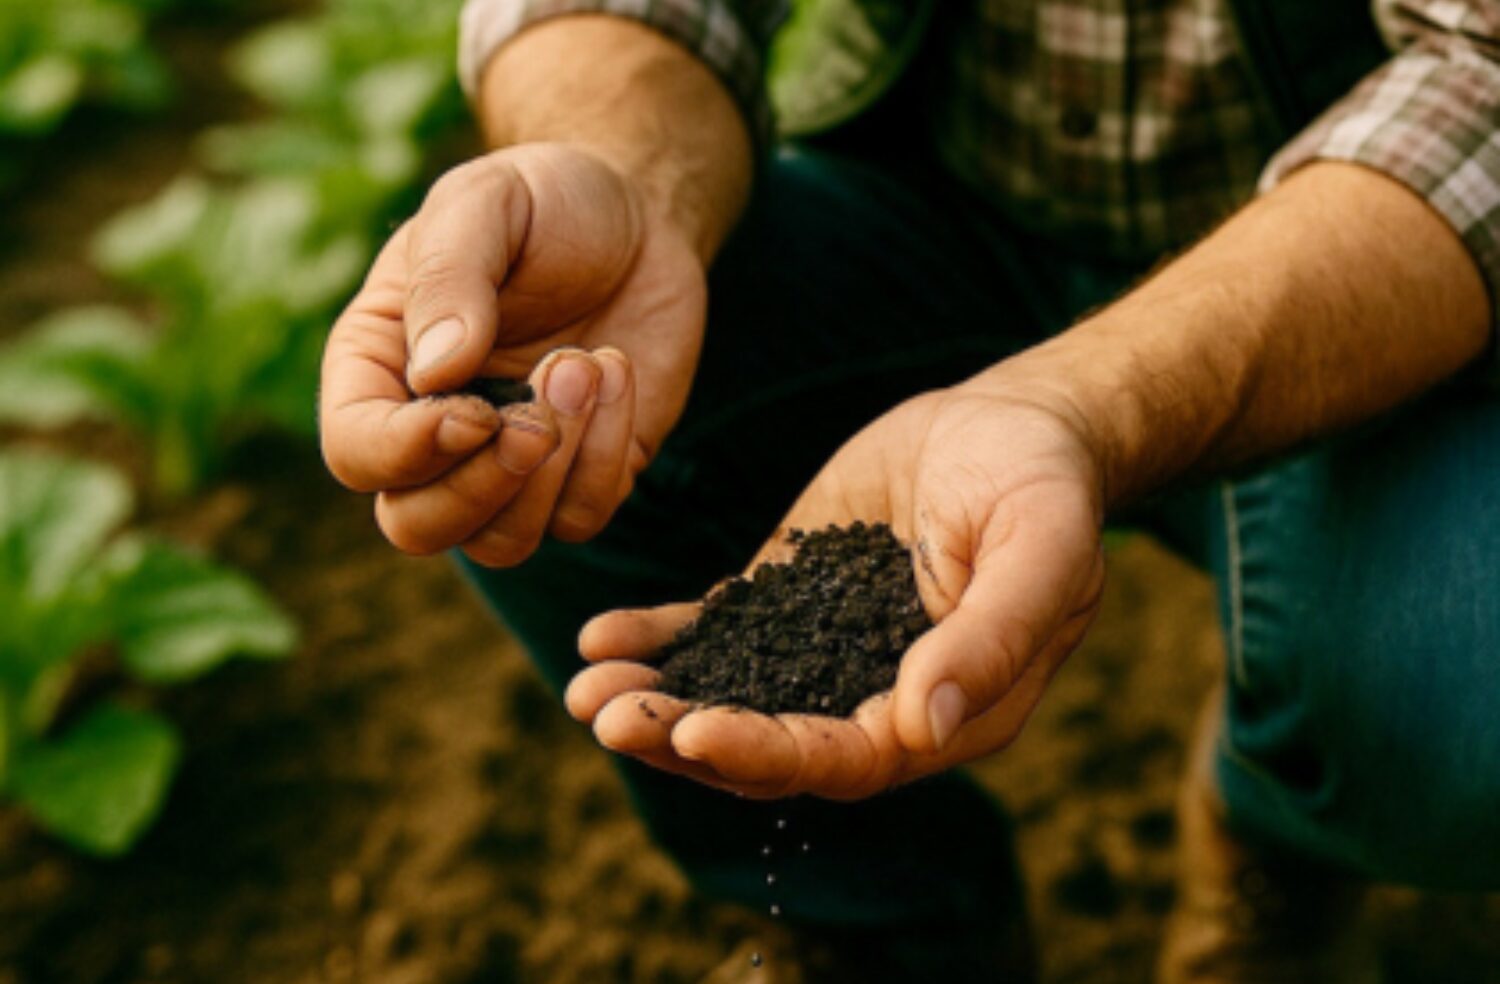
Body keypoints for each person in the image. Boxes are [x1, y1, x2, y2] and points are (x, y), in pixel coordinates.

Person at [317, 0, 1500, 979]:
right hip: (948, 198)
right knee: (526, 411)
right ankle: (891, 928)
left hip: (1366, 265)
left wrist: (1075, 402)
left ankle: (1287, 832)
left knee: (1461, 691)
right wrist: (628, 177)